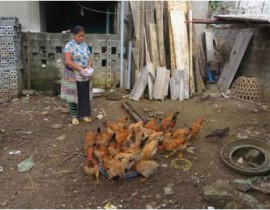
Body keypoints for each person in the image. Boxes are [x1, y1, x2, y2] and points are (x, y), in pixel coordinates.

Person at [61, 25, 93, 125]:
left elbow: (89, 57)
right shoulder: (69, 46)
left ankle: (83, 115)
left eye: (83, 36)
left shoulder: (84, 45)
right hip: (73, 73)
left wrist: (88, 66)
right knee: (73, 95)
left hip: (84, 73)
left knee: (84, 94)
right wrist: (79, 69)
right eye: (80, 36)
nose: (82, 38)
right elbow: (67, 61)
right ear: (74, 35)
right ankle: (74, 116)